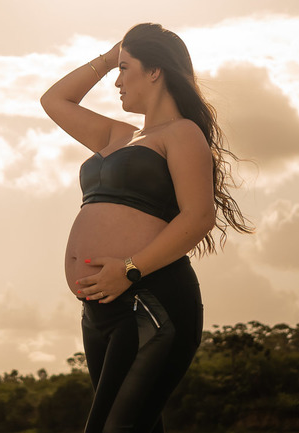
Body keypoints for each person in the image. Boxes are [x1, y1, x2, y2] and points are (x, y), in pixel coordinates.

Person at [41, 22, 254, 433]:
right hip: (99, 311)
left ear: (155, 71)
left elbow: (198, 217)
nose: (116, 81)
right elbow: (54, 100)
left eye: (125, 69)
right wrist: (108, 57)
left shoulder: (182, 133)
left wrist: (129, 270)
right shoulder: (118, 134)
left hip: (151, 305)